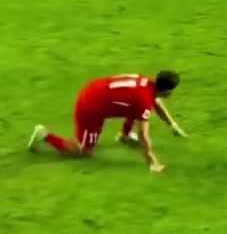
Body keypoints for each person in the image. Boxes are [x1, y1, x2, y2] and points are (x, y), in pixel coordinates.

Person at [28, 70, 185, 172]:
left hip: (95, 91)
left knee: (133, 109)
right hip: (90, 108)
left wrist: (172, 124)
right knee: (84, 151)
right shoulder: (144, 100)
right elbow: (143, 134)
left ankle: (125, 136)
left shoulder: (146, 83)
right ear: (167, 91)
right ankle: (45, 135)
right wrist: (152, 161)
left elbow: (154, 102)